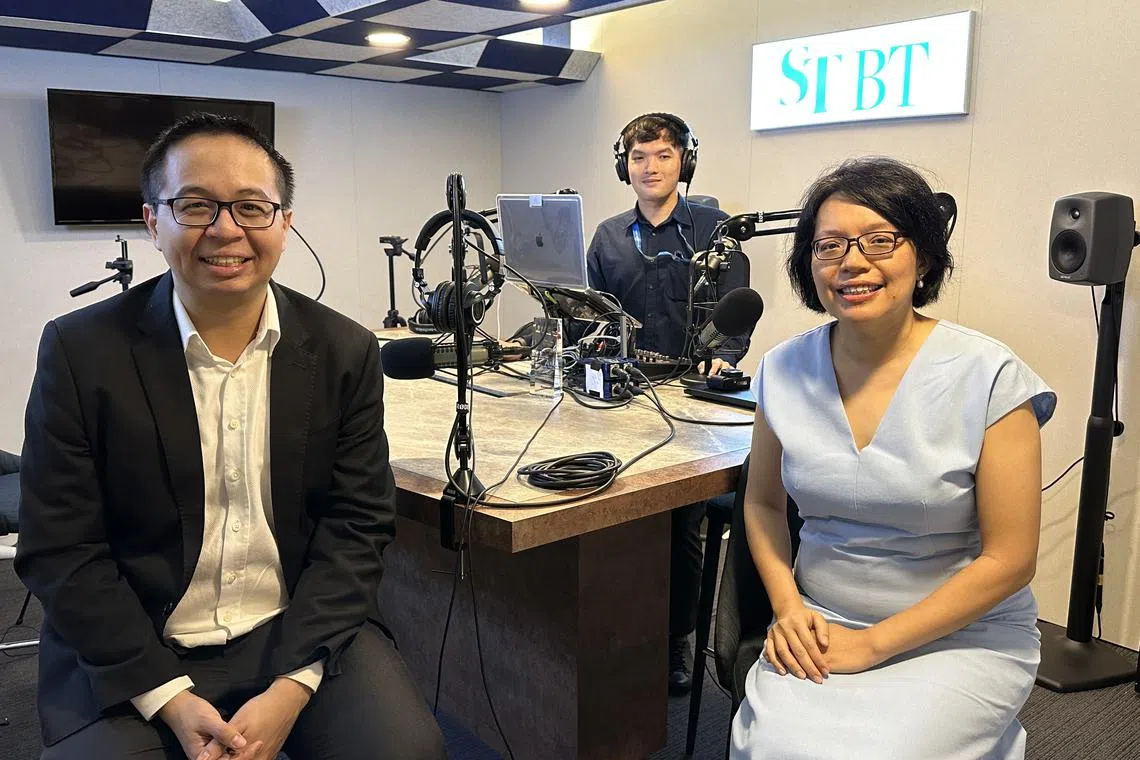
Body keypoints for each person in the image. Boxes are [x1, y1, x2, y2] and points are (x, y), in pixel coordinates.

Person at [16, 113, 447, 760]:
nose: (226, 229)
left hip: (299, 630)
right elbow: (61, 549)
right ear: (152, 221)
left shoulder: (343, 350)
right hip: (138, 639)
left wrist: (291, 689)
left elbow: (358, 526)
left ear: (284, 222)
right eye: (195, 205)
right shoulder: (82, 352)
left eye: (252, 206)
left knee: (406, 751)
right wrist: (167, 695)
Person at [730, 157, 1055, 759]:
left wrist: (874, 646)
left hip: (963, 634)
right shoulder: (781, 369)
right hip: (819, 622)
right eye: (828, 246)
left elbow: (1011, 560)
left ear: (924, 257)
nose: (853, 261)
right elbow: (762, 502)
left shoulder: (990, 376)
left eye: (881, 240)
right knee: (777, 750)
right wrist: (788, 607)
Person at [586, 112, 752, 695]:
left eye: (661, 155)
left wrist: (723, 355)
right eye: (638, 156)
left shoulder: (716, 229)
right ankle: (614, 632)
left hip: (690, 399)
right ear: (623, 165)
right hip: (624, 394)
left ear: (685, 160)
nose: (649, 167)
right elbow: (591, 311)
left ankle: (677, 641)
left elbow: (736, 310)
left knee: (681, 525)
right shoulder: (608, 236)